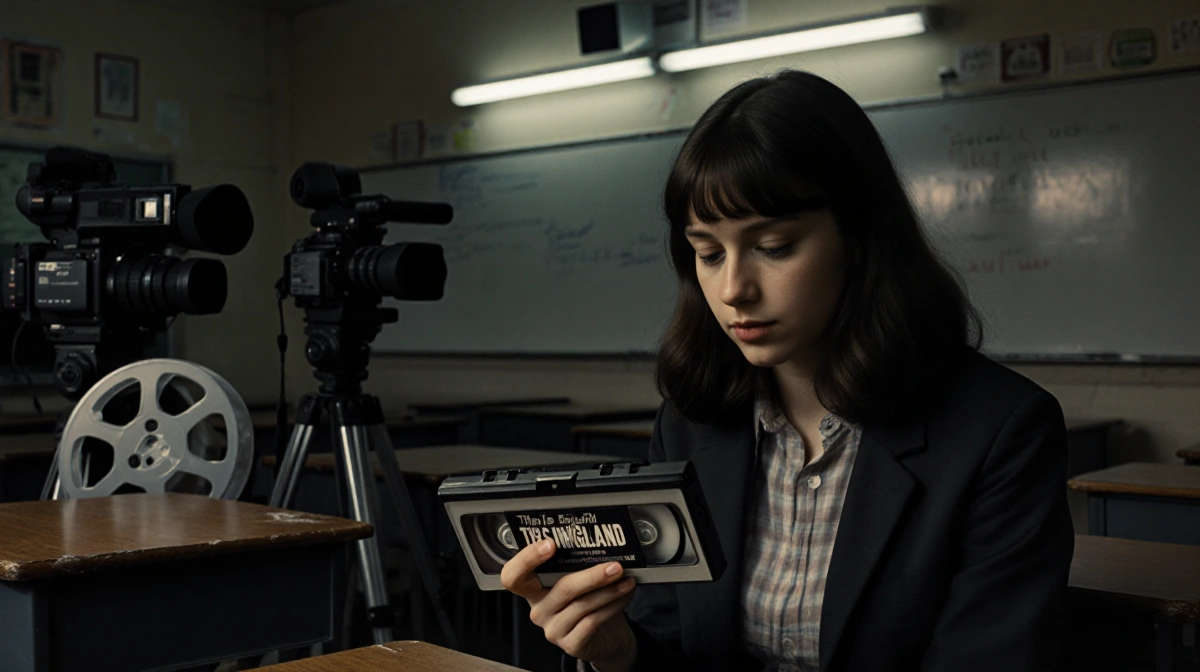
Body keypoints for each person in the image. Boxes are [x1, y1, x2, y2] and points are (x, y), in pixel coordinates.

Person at [501, 69, 1074, 672]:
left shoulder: (999, 432)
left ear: (858, 236)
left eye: (773, 247)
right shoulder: (693, 424)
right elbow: (671, 645)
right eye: (708, 252)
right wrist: (618, 652)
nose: (733, 289)